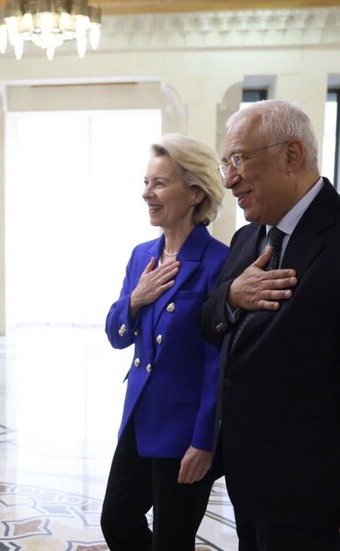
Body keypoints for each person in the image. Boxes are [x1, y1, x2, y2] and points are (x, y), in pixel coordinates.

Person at [201, 99, 340, 551]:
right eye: (226, 163)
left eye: (239, 159)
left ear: (292, 155)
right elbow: (209, 322)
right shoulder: (247, 239)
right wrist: (230, 296)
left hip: (318, 496)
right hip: (249, 480)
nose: (228, 179)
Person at [101, 134, 229, 551]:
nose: (146, 193)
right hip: (140, 418)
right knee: (117, 520)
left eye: (159, 183)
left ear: (195, 193)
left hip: (185, 430)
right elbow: (116, 335)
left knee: (172, 541)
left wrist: (204, 441)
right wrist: (135, 300)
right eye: (146, 182)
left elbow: (218, 362)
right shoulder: (142, 256)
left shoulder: (219, 262)